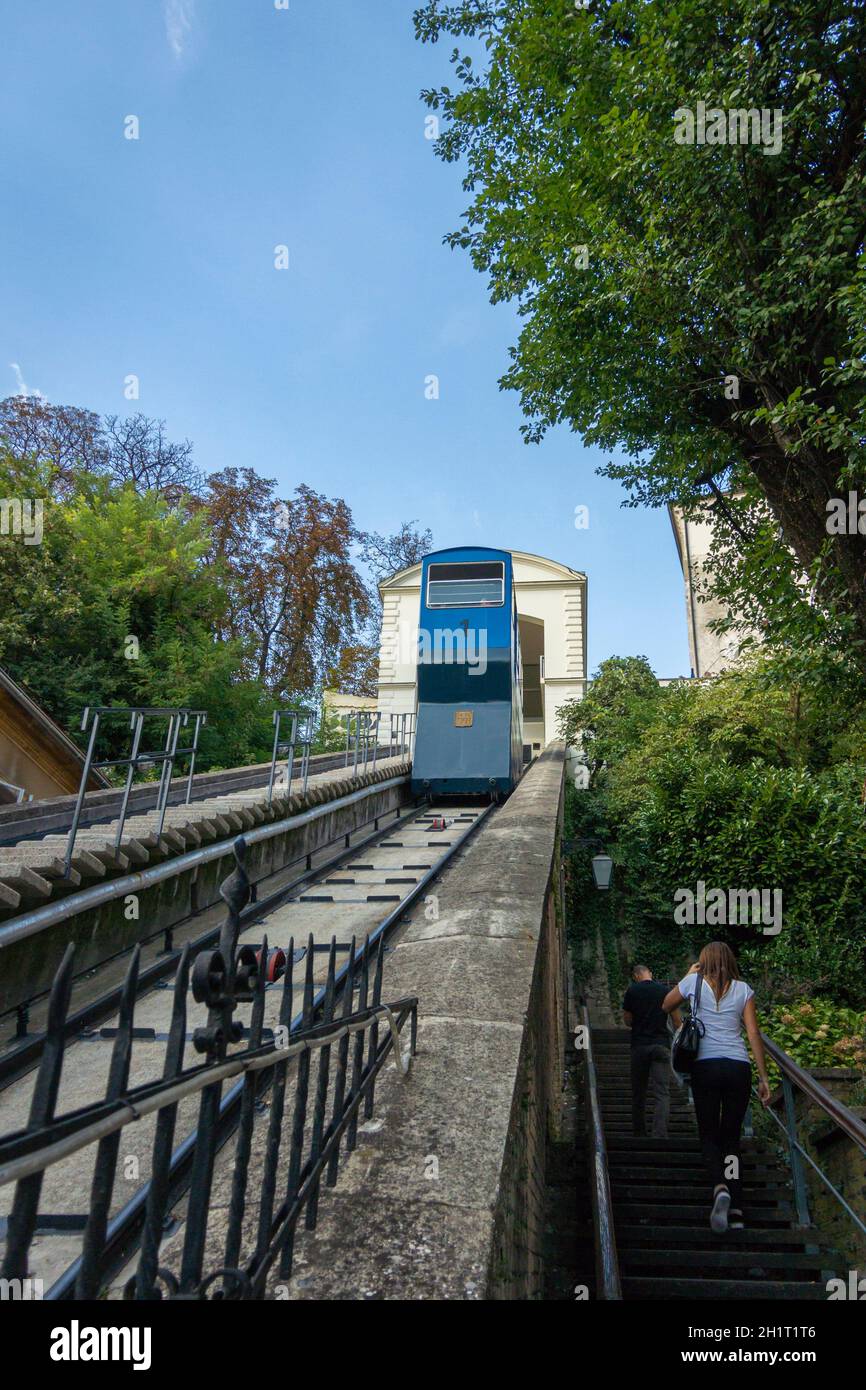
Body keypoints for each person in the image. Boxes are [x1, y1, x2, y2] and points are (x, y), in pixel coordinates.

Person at [662, 941, 771, 1233]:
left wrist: (681, 1025)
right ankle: (735, 1205)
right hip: (738, 1067)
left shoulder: (692, 981)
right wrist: (763, 1076)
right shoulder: (743, 989)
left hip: (706, 1066)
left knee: (709, 1134)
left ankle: (719, 1186)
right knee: (731, 1139)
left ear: (704, 960)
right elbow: (752, 1032)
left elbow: (666, 1004)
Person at [623, 964, 681, 1139]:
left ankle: (639, 1133)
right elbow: (677, 1021)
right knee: (662, 1092)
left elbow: (627, 1021)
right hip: (660, 1045)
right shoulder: (665, 991)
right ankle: (660, 1134)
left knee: (638, 1092)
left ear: (636, 976)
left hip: (639, 1046)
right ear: (650, 973)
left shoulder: (632, 991)